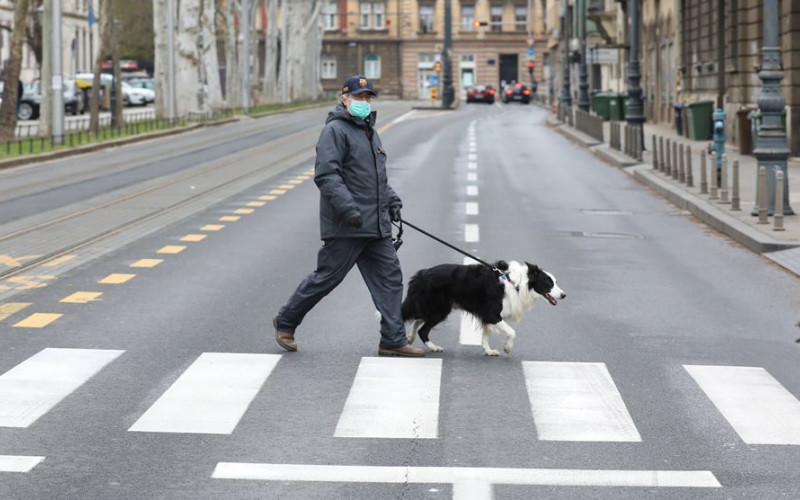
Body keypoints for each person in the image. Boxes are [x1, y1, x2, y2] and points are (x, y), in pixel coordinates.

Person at [272, 75, 425, 357]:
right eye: (359, 97)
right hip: (348, 224)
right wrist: (349, 209)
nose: (364, 102)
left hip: (376, 226)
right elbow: (327, 175)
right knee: (326, 278)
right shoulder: (335, 131)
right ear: (345, 99)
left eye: (368, 97)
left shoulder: (370, 131)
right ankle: (286, 321)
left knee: (390, 279)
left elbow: (377, 178)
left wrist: (391, 200)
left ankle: (392, 339)